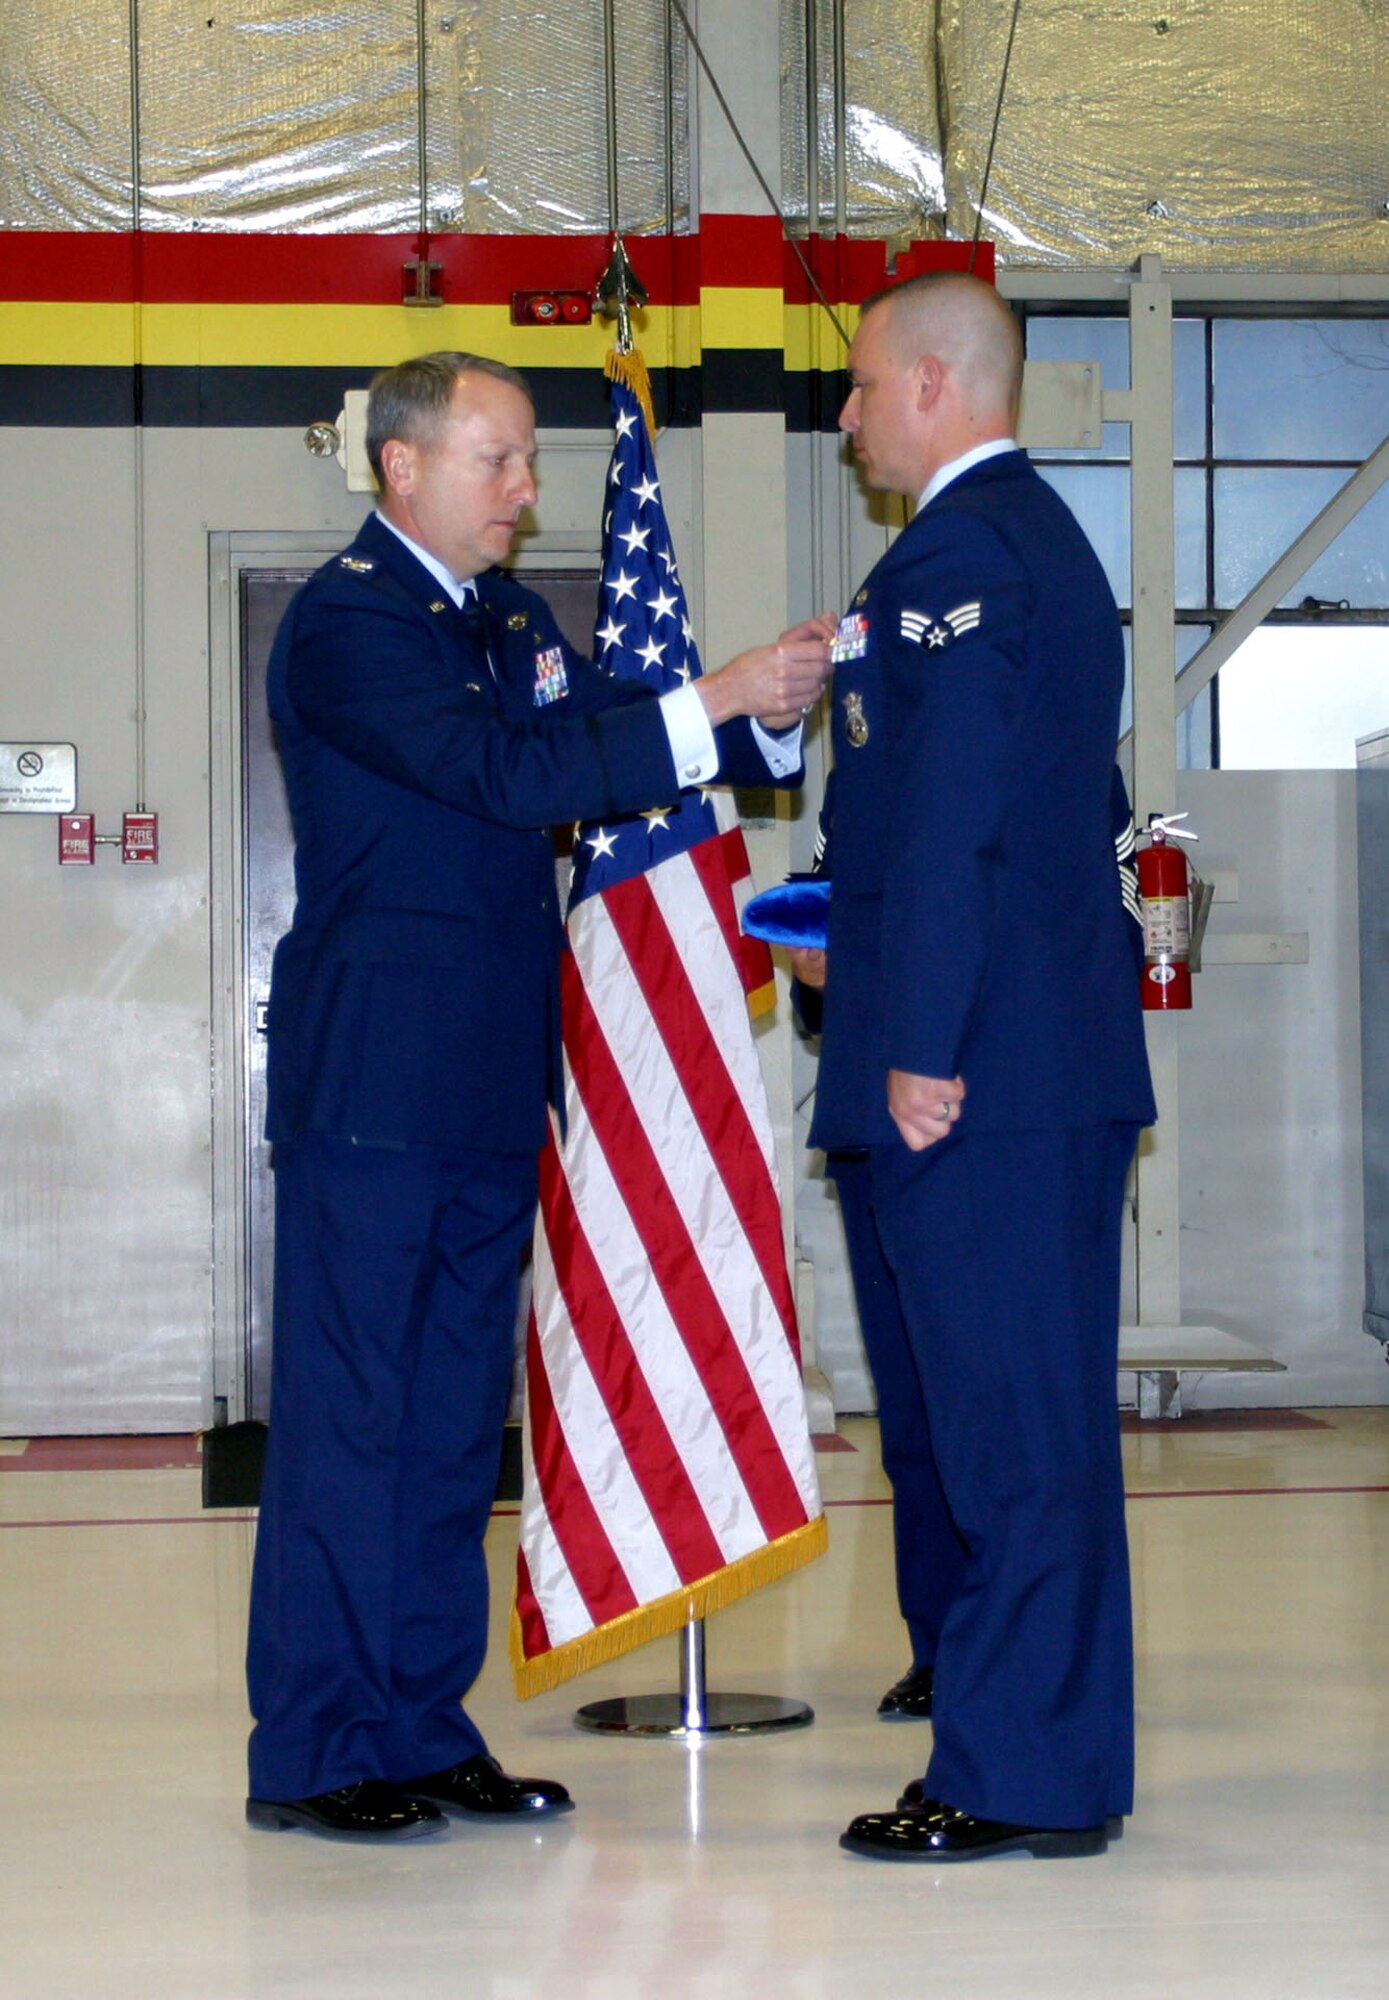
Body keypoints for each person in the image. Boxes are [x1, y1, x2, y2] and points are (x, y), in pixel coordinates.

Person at [245, 349, 832, 1843]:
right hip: (373, 1093)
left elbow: (605, 746)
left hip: (495, 1088)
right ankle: (315, 1751)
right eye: (498, 458)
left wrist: (760, 717)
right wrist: (707, 706)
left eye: (525, 460)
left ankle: (420, 1727)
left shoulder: (506, 618)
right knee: (351, 1431)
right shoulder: (347, 626)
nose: (527, 488)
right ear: (402, 466)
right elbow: (508, 777)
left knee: (447, 1433)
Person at [808, 274, 1155, 1863]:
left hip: (986, 1076)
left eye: (866, 385)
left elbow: (958, 822)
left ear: (935, 384)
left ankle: (1013, 1776)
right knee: (1029, 1434)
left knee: (1014, 1441)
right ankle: (1047, 1761)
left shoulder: (967, 560)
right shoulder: (1028, 550)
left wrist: (921, 1043)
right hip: (1024, 1062)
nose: (848, 413)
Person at [789, 787, 958, 1727]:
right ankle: (936, 1640)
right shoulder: (852, 790)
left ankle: (995, 1635)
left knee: (977, 1407)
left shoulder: (988, 731)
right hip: (864, 1110)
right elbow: (829, 906)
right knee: (911, 1415)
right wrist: (816, 978)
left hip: (962, 1116)